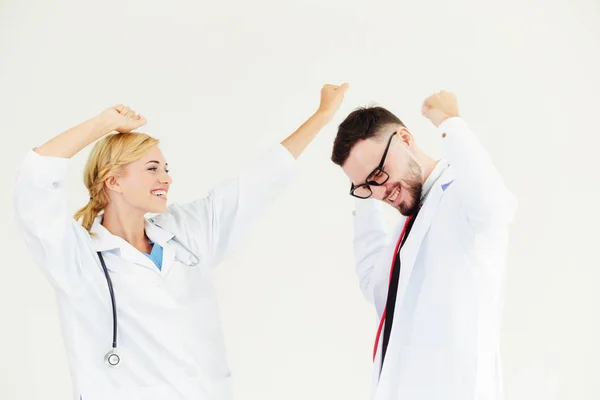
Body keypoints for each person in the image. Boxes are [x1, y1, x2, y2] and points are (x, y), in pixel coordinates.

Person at [14, 83, 349, 400]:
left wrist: (321, 115)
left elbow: (253, 184)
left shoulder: (184, 232)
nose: (166, 178)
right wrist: (103, 123)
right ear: (114, 181)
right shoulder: (77, 256)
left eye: (166, 168)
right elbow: (37, 179)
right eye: (152, 168)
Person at [330, 90, 517, 400]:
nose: (379, 192)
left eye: (378, 174)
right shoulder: (407, 228)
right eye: (365, 187)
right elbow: (374, 284)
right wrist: (366, 194)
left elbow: (494, 207)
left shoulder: (460, 198)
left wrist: (451, 124)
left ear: (404, 139)